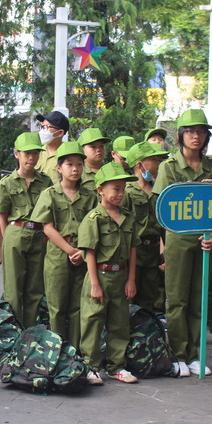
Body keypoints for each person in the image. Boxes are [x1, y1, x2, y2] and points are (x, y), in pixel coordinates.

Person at [153, 109, 212, 377]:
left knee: (200, 298)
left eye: (202, 132)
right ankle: (177, 353)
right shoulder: (168, 167)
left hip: (204, 240)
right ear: (181, 135)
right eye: (191, 131)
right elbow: (160, 210)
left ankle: (195, 354)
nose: (197, 136)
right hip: (177, 239)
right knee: (177, 300)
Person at [30, 141, 97, 348]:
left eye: (79, 164)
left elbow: (95, 227)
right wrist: (70, 250)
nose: (75, 169)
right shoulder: (49, 194)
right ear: (59, 168)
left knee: (78, 306)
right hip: (58, 255)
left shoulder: (90, 196)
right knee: (57, 307)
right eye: (69, 164)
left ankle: (75, 351)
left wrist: (82, 252)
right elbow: (47, 227)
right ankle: (57, 351)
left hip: (84, 255)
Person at [78, 162, 139, 385]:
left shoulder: (128, 217)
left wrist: (131, 279)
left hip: (121, 276)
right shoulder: (94, 218)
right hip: (100, 275)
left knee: (119, 322)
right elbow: (90, 253)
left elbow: (133, 249)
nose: (120, 193)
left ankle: (116, 366)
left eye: (122, 188)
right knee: (93, 320)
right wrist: (94, 284)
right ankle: (91, 365)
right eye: (115, 188)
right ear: (101, 190)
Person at [0, 132, 52, 328]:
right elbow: (1, 214)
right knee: (13, 288)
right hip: (15, 232)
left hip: (39, 235)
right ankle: (14, 330)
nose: (31, 158)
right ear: (16, 154)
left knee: (35, 287)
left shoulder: (45, 182)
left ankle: (30, 330)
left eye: (35, 153)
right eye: (27, 153)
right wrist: (4, 241)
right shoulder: (7, 182)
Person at [122, 141, 168, 315]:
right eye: (154, 160)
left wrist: (164, 251)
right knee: (129, 299)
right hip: (134, 253)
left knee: (149, 299)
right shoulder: (127, 192)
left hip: (153, 253)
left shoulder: (159, 192)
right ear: (140, 165)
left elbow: (163, 224)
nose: (158, 164)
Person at [34, 110, 70, 184]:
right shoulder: (36, 152)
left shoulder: (68, 155)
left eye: (47, 127)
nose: (43, 131)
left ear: (60, 133)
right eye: (42, 127)